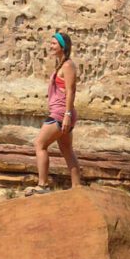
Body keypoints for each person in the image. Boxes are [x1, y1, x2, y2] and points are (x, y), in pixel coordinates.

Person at [26, 31, 82, 195]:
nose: (50, 46)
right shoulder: (61, 64)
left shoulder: (68, 66)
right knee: (66, 149)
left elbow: (71, 90)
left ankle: (43, 185)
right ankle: (77, 187)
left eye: (53, 44)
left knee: (39, 144)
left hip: (61, 113)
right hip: (61, 112)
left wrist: (67, 115)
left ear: (62, 47)